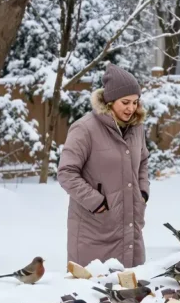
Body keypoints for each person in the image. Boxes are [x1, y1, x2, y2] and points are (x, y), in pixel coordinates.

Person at [57, 64, 149, 268]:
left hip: (130, 229)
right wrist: (96, 202)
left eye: (135, 102)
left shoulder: (137, 128)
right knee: (95, 295)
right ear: (109, 101)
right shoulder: (85, 129)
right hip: (94, 230)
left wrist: (143, 192)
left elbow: (143, 161)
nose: (131, 108)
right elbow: (66, 173)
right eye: (125, 102)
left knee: (131, 292)